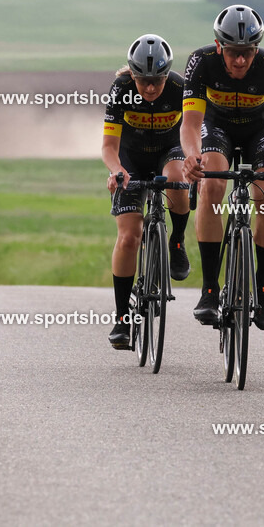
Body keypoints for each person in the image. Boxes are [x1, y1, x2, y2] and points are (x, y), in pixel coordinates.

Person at [181, 5, 264, 331]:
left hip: (260, 131)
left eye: (248, 52)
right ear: (218, 45)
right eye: (234, 53)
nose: (241, 60)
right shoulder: (201, 62)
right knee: (211, 186)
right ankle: (210, 288)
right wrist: (192, 157)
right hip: (217, 127)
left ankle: (263, 285)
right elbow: (190, 124)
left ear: (256, 49)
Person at [101, 34, 191, 349]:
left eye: (157, 81)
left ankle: (176, 241)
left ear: (167, 76)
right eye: (143, 81)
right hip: (131, 160)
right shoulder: (121, 90)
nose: (150, 88)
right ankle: (123, 318)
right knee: (128, 237)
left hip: (169, 152)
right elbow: (109, 146)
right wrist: (116, 170)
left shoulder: (181, 89)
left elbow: (194, 131)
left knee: (179, 180)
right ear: (133, 75)